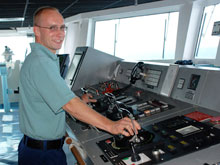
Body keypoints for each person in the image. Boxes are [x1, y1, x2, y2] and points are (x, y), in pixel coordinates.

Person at [18, 6, 141, 165]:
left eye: (62, 27)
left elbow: (52, 100)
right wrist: (112, 125)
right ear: (37, 30)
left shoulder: (42, 58)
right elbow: (69, 104)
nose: (60, 33)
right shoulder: (40, 63)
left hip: (41, 150)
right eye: (52, 28)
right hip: (42, 156)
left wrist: (79, 101)